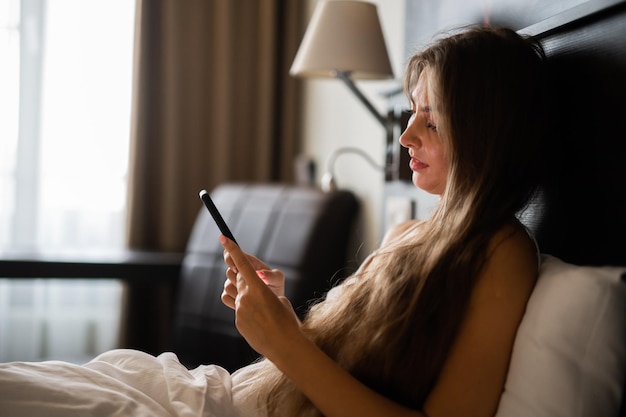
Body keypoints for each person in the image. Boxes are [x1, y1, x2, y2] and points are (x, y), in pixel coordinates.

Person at [0, 25, 551, 417]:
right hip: (226, 392)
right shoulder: (408, 233)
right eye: (410, 114)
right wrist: (282, 315)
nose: (405, 137)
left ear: (483, 131)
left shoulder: (502, 254)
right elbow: (341, 356)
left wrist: (284, 343)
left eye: (429, 121)